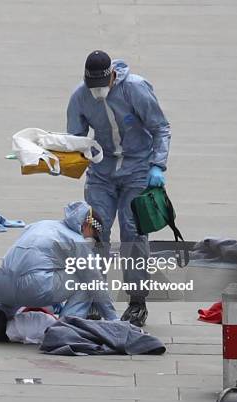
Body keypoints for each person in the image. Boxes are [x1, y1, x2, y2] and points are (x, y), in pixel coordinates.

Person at [67, 50, 172, 327]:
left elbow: (161, 128)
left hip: (137, 170)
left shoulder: (134, 89)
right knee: (95, 231)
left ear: (113, 75)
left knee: (133, 233)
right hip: (102, 173)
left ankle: (137, 302)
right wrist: (58, 158)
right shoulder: (80, 96)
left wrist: (157, 166)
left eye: (102, 84)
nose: (98, 91)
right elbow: (74, 139)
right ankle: (94, 298)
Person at [0, 201, 118, 341]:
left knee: (20, 272)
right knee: (86, 281)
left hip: (0, 286)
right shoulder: (77, 241)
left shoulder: (39, 225)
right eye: (94, 236)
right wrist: (114, 320)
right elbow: (95, 283)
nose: (92, 242)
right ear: (86, 225)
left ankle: (1, 314)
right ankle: (64, 328)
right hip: (34, 288)